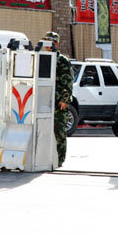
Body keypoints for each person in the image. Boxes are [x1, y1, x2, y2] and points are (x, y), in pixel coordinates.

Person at [42, 31, 74, 167]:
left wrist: (65, 100)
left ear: (56, 44)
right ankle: (45, 157)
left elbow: (68, 81)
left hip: (58, 102)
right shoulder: (42, 58)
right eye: (46, 42)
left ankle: (60, 159)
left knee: (59, 131)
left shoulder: (62, 60)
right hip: (44, 101)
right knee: (44, 131)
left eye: (51, 42)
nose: (48, 45)